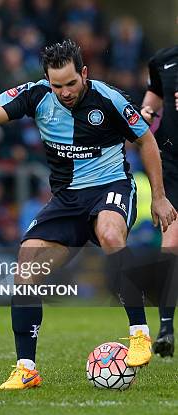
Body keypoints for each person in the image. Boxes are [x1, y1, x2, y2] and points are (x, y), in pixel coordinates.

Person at [0, 39, 176, 390]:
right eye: (57, 86)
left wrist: (158, 197)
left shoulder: (109, 99)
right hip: (66, 200)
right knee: (27, 267)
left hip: (110, 187)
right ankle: (26, 367)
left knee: (112, 234)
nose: (64, 92)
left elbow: (147, 141)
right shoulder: (36, 94)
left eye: (70, 84)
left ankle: (138, 333)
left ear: (84, 73)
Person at [140, 44, 178, 357]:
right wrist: (144, 116)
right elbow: (152, 101)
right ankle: (166, 327)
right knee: (171, 243)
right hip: (174, 164)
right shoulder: (163, 61)